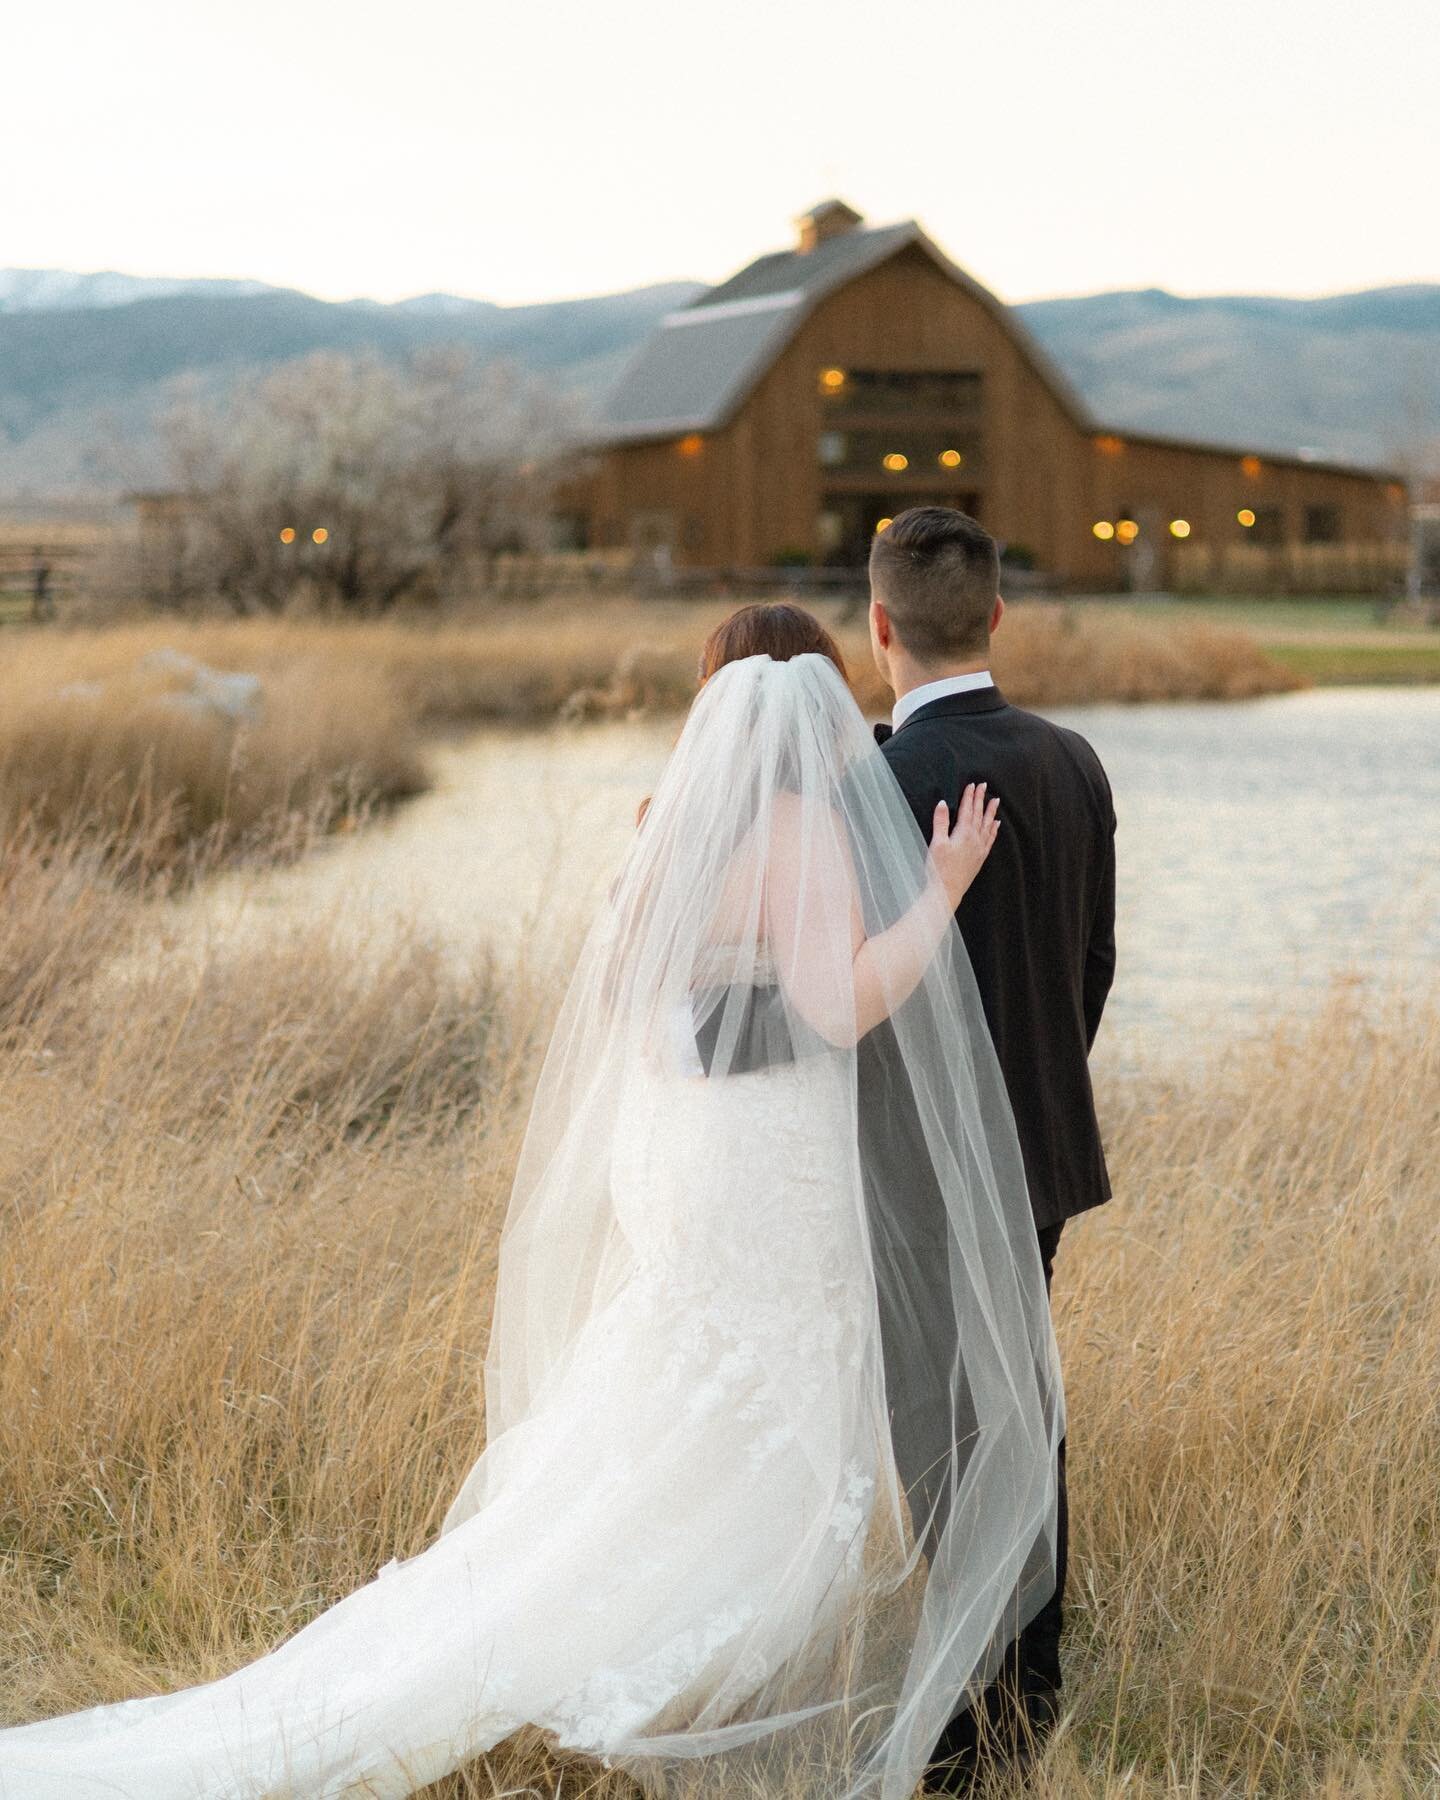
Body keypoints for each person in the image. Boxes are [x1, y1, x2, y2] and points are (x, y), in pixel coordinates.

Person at [0, 608, 1062, 1799]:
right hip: (766, 1161)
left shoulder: (671, 825)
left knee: (676, 1378)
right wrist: (939, 889)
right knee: (766, 1400)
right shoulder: (801, 827)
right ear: (814, 702)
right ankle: (635, 1654)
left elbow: (637, 1005)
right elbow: (833, 1007)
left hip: (679, 1154)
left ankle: (583, 1605)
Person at [869, 507, 1117, 1790]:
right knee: (1022, 1406)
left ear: (877, 625)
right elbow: (1092, 968)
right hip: (1045, 1157)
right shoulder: (1074, 759)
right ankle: (1029, 1692)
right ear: (998, 617)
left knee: (940, 1435)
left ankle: (980, 1726)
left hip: (914, 1173)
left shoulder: (874, 785)